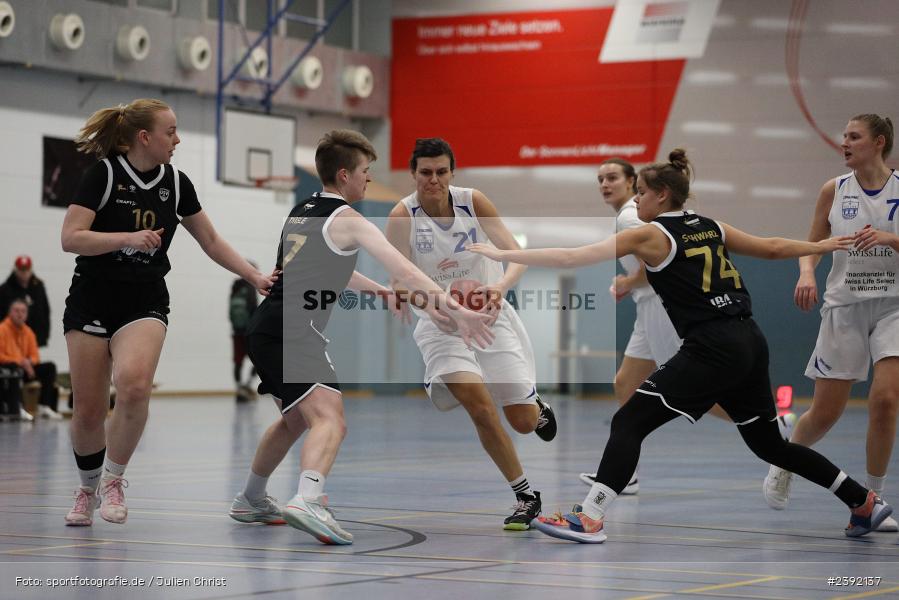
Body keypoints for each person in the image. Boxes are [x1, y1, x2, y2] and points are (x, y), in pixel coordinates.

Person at [469, 148, 892, 543]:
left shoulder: (650, 236)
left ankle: (591, 516)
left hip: (711, 345)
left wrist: (507, 255)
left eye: (640, 195)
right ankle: (862, 501)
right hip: (749, 339)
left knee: (628, 422)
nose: (635, 204)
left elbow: (569, 257)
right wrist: (819, 246)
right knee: (771, 447)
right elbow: (774, 248)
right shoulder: (710, 225)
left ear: (662, 195)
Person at [228, 130, 494, 545]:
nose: (368, 180)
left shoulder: (303, 210)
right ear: (344, 174)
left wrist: (382, 292)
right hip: (295, 329)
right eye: (365, 172)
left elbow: (335, 269)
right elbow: (405, 268)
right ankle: (308, 498)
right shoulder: (350, 220)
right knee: (330, 419)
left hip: (267, 326)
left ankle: (251, 498)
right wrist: (455, 309)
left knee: (295, 419)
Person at [61, 99, 274, 527]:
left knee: (135, 387)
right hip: (92, 297)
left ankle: (114, 479)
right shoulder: (103, 175)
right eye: (171, 132)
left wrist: (254, 276)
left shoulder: (177, 183)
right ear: (145, 138)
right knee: (88, 410)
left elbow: (211, 241)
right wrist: (126, 238)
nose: (177, 140)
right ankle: (86, 488)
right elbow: (71, 238)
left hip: (144, 300)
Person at [580, 159, 795, 490]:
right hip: (645, 309)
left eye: (612, 178)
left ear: (631, 183)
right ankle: (626, 473)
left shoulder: (630, 217)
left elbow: (653, 264)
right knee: (625, 382)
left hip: (663, 307)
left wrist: (626, 282)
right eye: (600, 179)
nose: (604, 184)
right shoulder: (628, 215)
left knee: (690, 390)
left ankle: (776, 427)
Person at [384, 138, 557, 531]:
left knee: (524, 422)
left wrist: (499, 288)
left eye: (441, 172)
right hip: (441, 326)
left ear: (452, 173)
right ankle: (526, 496)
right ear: (413, 174)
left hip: (490, 320)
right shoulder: (402, 216)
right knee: (480, 407)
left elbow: (516, 256)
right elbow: (400, 280)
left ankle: (538, 409)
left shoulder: (473, 202)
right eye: (425, 172)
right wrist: (436, 307)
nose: (433, 180)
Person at [763, 113, 899, 532]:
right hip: (845, 306)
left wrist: (890, 238)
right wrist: (807, 272)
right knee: (824, 413)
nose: (844, 143)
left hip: (894, 305)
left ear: (878, 142)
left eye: (854, 137)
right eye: (843, 137)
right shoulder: (834, 190)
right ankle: (784, 462)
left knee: (885, 400)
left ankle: (871, 499)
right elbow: (812, 242)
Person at [0, 299, 61, 420]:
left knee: (50, 367)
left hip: (26, 370)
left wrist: (29, 362)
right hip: (9, 370)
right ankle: (18, 407)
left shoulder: (28, 332)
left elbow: (35, 356)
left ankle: (44, 406)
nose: (20, 314)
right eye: (16, 311)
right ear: (9, 313)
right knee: (14, 366)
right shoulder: (2, 329)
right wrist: (21, 362)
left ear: (26, 314)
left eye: (23, 311)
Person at [0, 255, 52, 348]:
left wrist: (44, 334)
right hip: (11, 337)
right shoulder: (5, 289)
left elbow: (45, 310)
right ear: (15, 270)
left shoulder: (38, 287)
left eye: (26, 270)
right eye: (21, 270)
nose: (24, 273)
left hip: (35, 334)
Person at [229, 262, 259, 402]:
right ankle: (247, 386)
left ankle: (239, 388)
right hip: (249, 332)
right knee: (259, 361)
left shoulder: (235, 286)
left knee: (238, 361)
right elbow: (254, 308)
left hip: (236, 331)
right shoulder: (251, 287)